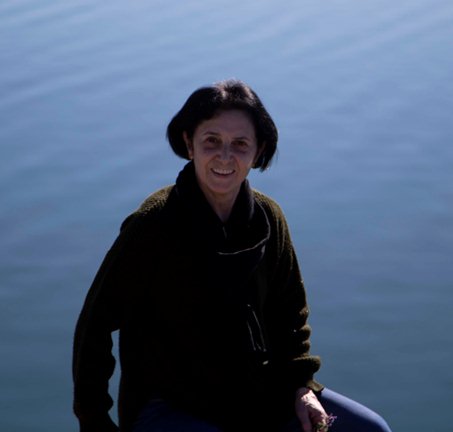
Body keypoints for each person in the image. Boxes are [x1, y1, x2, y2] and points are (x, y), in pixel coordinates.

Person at [72, 79, 392, 432]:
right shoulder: (154, 223)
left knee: (370, 428)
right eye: (212, 141)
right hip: (168, 404)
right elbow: (95, 324)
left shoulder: (268, 219)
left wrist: (301, 386)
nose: (225, 156)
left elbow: (290, 314)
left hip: (257, 391)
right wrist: (95, 419)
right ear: (189, 144)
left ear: (258, 151)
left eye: (240, 144)